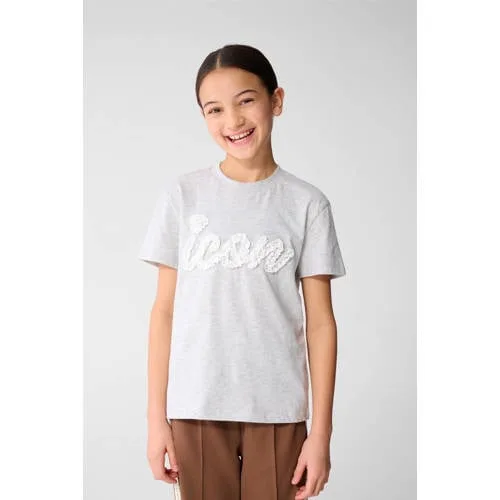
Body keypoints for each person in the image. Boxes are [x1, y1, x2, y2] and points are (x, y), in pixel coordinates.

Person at [138, 44, 347, 500]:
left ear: (276, 100)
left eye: (246, 100)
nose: (232, 120)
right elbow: (164, 312)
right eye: (214, 109)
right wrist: (156, 420)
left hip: (278, 410)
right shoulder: (182, 196)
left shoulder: (307, 204)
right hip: (195, 407)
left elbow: (321, 323)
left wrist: (321, 434)